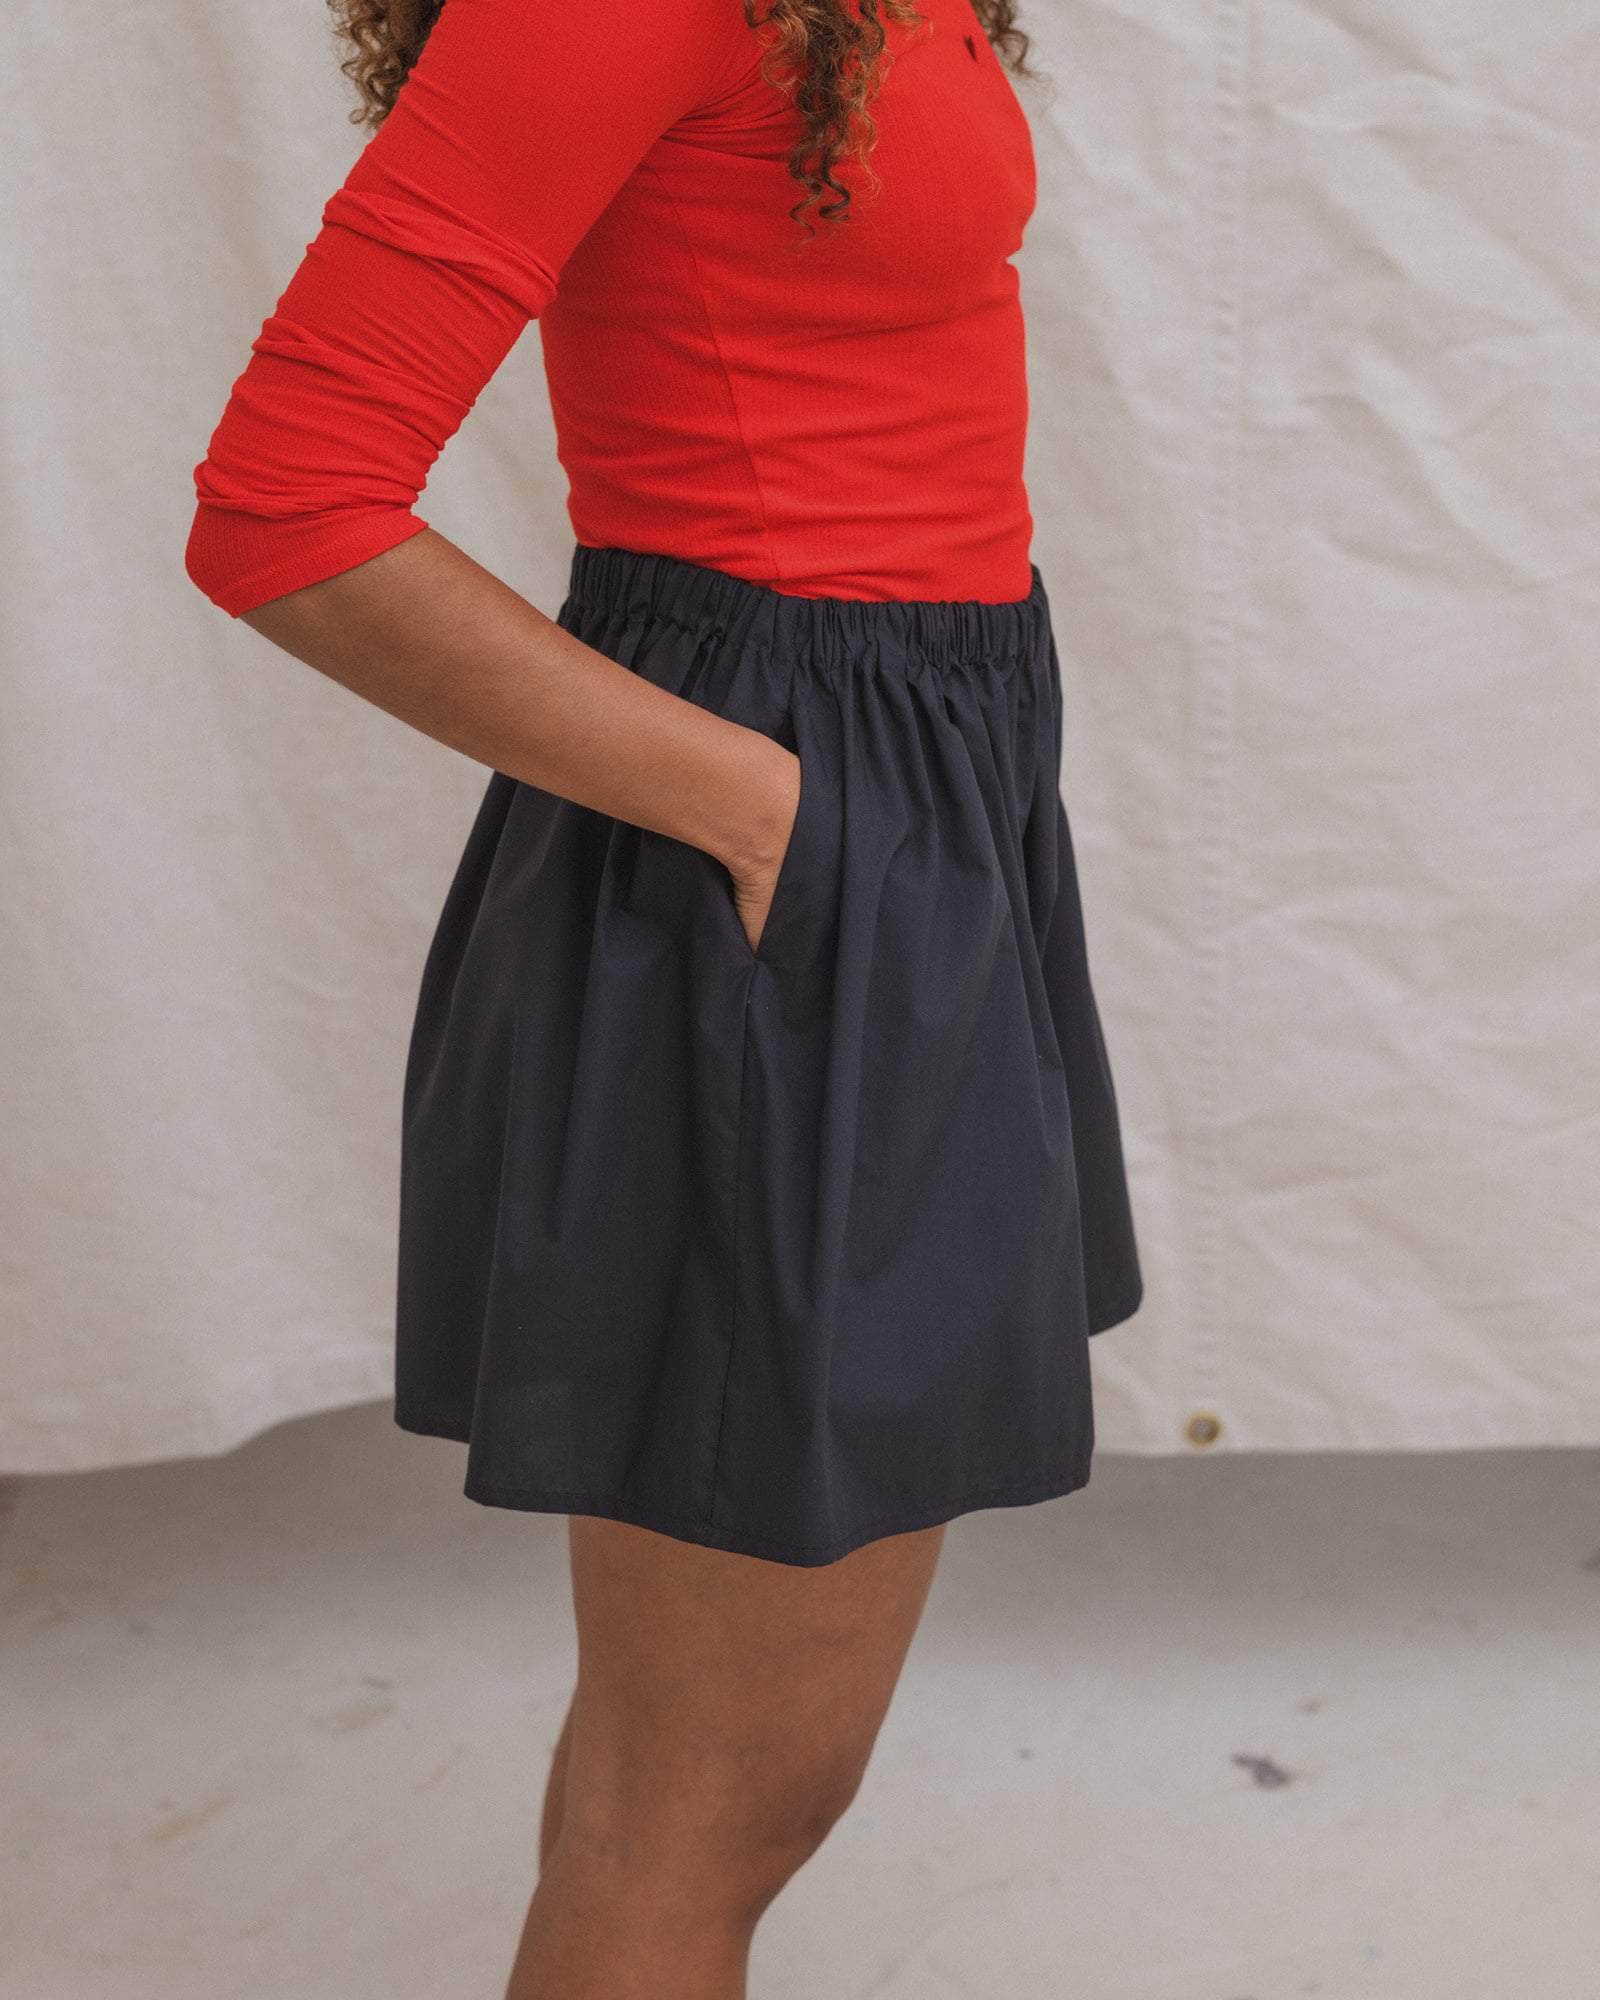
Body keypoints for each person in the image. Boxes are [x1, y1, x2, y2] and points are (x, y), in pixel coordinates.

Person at [183, 0, 1144, 1991]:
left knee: (687, 1787)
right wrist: (777, 814)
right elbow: (286, 507)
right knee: (709, 1803)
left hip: (919, 797)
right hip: (785, 856)